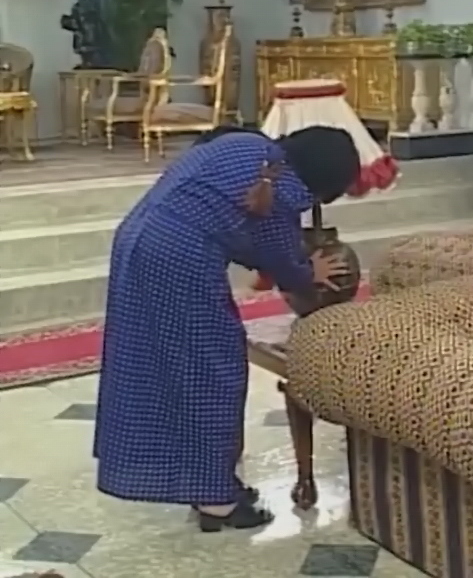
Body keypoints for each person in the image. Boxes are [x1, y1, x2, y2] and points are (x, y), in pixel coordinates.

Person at [93, 126, 360, 532]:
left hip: (137, 238)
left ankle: (202, 481)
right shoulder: (283, 190)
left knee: (160, 365)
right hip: (177, 260)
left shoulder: (245, 144)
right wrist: (311, 271)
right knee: (212, 372)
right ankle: (216, 500)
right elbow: (284, 264)